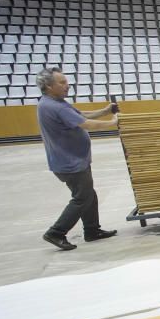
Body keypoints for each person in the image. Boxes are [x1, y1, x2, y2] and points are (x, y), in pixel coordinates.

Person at [36, 67, 120, 251]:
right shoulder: (55, 106)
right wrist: (113, 122)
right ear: (49, 86)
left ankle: (92, 230)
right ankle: (56, 232)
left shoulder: (53, 102)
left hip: (71, 160)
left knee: (89, 194)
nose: (67, 85)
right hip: (70, 163)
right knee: (82, 197)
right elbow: (86, 124)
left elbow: (81, 115)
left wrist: (105, 111)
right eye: (62, 82)